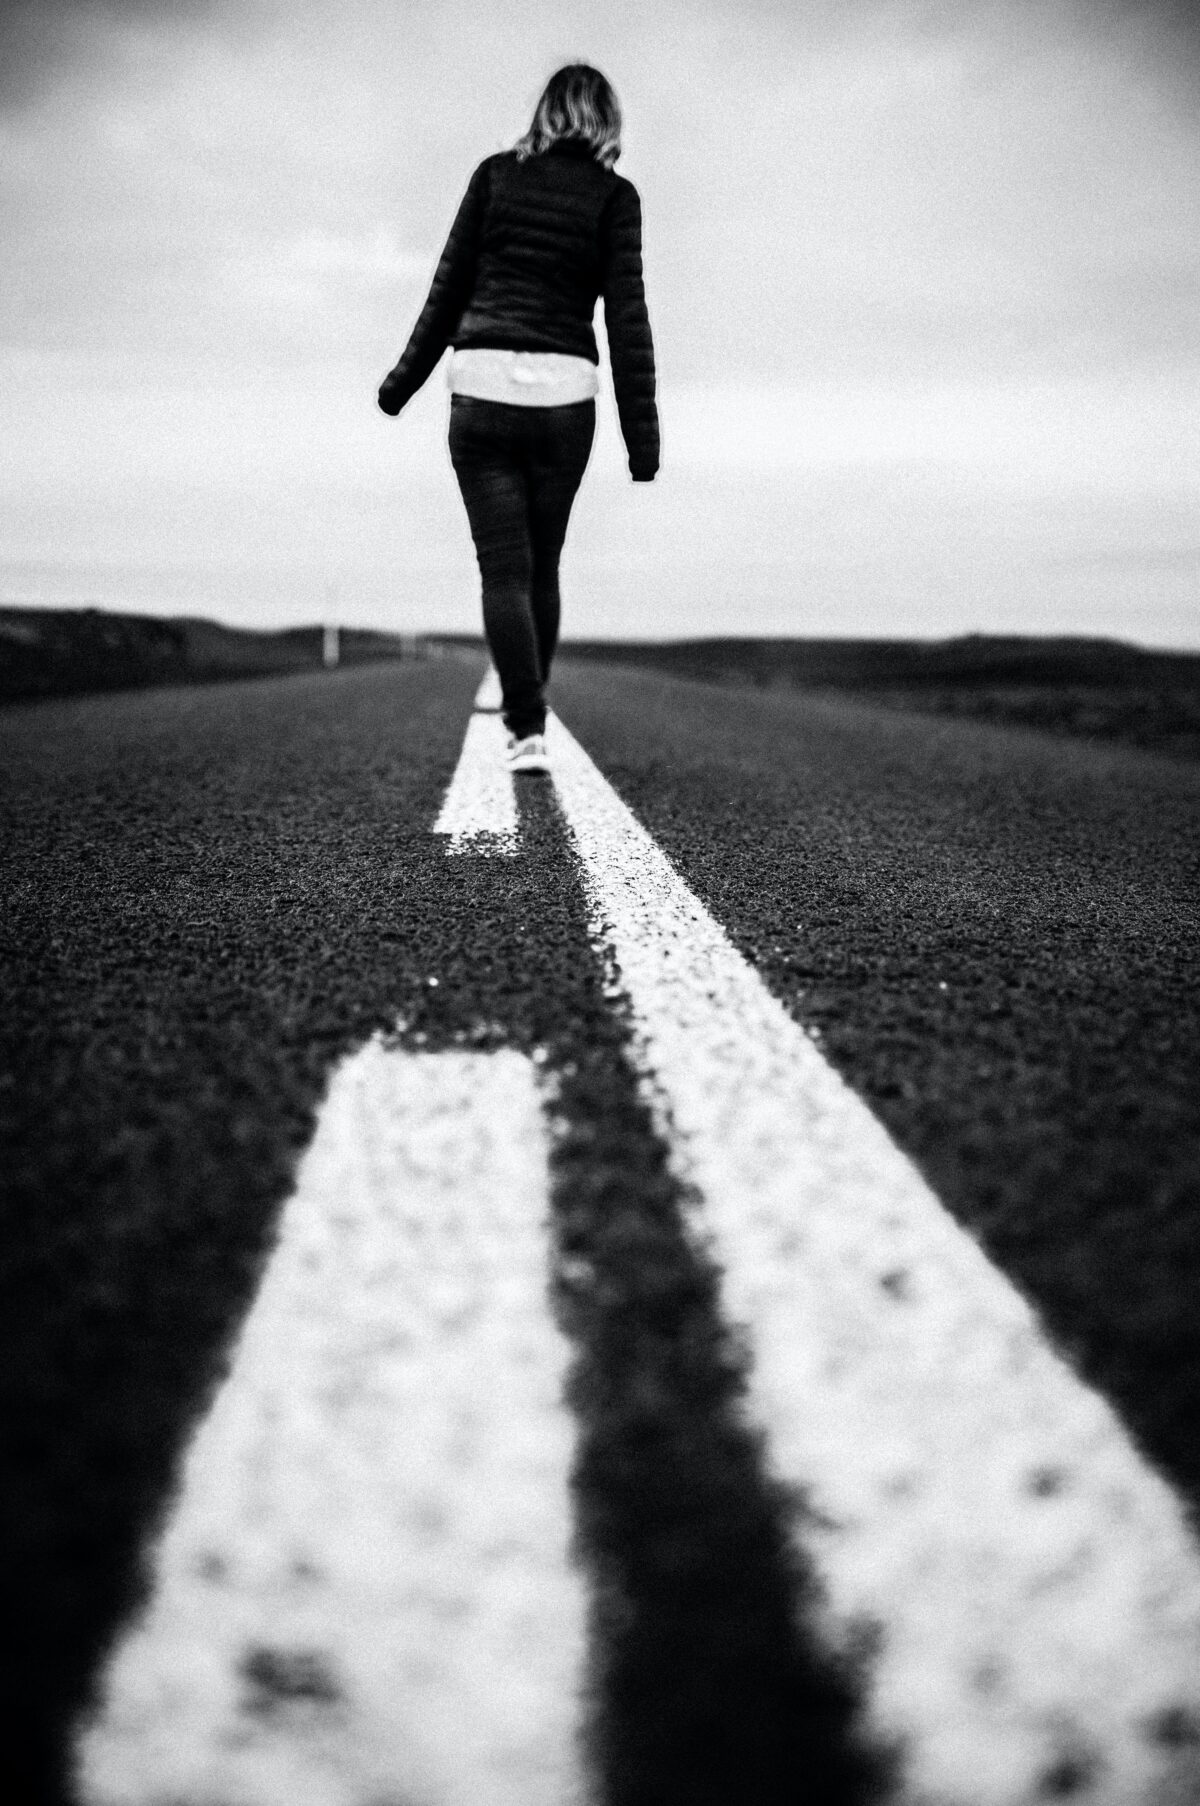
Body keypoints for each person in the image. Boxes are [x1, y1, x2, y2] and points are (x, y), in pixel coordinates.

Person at [377, 63, 659, 773]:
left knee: (502, 569)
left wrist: (400, 384)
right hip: (564, 399)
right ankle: (532, 716)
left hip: (482, 390)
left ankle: (525, 730)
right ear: (607, 122)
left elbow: (448, 288)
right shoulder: (614, 198)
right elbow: (628, 320)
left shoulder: (496, 175)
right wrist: (642, 440)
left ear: (546, 112)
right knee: (543, 565)